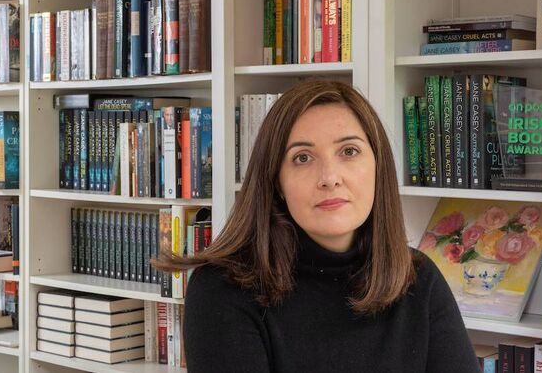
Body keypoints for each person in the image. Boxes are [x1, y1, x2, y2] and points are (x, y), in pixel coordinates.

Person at [154, 80, 479, 372]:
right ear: (277, 182)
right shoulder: (221, 290)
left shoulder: (417, 276)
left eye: (349, 151)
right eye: (302, 158)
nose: (329, 178)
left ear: (378, 167)